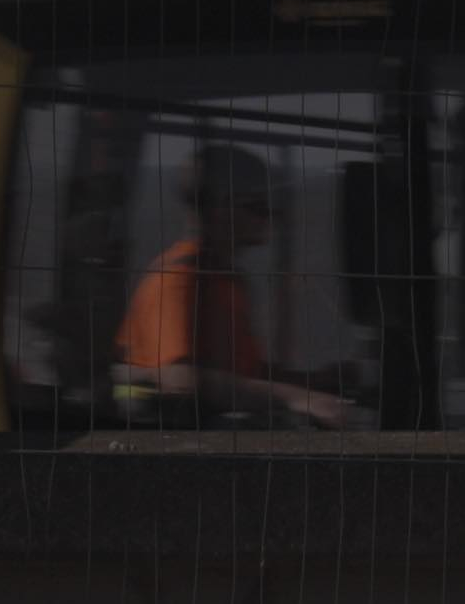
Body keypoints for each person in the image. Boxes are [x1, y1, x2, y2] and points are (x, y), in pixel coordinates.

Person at [116, 144, 353, 428]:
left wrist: (316, 383)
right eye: (257, 205)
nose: (270, 216)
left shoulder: (223, 279)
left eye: (271, 205)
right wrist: (296, 397)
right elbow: (180, 379)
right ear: (219, 207)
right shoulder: (179, 279)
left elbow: (242, 373)